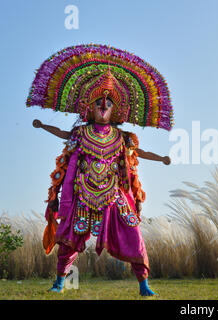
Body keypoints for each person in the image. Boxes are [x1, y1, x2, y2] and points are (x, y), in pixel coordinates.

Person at [32, 70, 171, 296]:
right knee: (68, 240)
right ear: (90, 108)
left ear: (115, 110)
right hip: (83, 192)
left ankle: (144, 285)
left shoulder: (122, 137)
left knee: (133, 233)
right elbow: (63, 134)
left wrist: (161, 158)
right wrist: (43, 126)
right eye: (99, 102)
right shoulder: (81, 132)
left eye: (108, 103)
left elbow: (140, 152)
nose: (103, 106)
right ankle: (59, 283)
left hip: (114, 194)